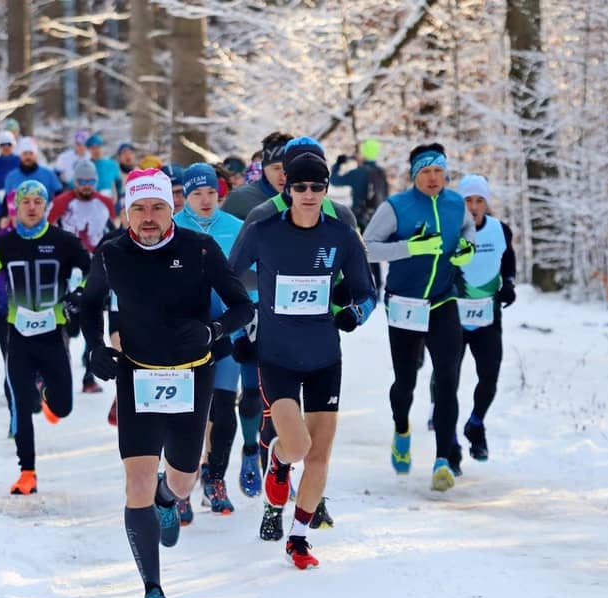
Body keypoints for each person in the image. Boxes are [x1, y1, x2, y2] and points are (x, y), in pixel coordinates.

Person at [81, 168, 253, 598]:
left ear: (171, 208)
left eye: (157, 207)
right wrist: (95, 348)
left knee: (182, 479)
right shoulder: (112, 253)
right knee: (134, 482)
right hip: (136, 374)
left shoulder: (200, 249)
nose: (148, 217)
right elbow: (90, 303)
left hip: (191, 374)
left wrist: (213, 331)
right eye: (139, 208)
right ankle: (153, 593)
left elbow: (242, 306)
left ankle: (167, 495)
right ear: (126, 212)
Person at [229, 151, 376, 568]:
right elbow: (228, 281)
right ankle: (278, 460)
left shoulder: (341, 235)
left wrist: (355, 314)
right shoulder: (263, 231)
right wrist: (240, 333)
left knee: (319, 456)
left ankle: (298, 538)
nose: (309, 194)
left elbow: (368, 293)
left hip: (324, 357)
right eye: (300, 186)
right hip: (276, 356)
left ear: (326, 189)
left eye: (317, 186)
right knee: (296, 446)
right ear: (287, 189)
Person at [0, 180, 90, 494]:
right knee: (20, 404)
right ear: (16, 207)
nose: (32, 207)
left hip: (52, 334)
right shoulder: (4, 243)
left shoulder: (63, 241)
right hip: (17, 334)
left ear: (46, 207)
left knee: (63, 407)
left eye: (38, 202)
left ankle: (46, 394)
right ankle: (27, 473)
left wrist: (79, 293)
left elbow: (90, 269)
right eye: (26, 201)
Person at [361, 142, 476, 491]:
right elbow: (367, 247)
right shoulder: (397, 207)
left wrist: (466, 249)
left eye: (438, 170)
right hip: (405, 304)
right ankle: (402, 428)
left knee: (447, 379)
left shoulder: (456, 203)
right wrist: (411, 247)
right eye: (425, 171)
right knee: (406, 381)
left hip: (443, 300)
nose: (433, 178)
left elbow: (468, 229)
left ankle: (443, 460)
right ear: (414, 175)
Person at [172, 162, 245, 520]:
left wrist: (251, 317)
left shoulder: (237, 228)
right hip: (182, 335)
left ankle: (215, 478)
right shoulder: (172, 227)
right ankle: (179, 486)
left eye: (211, 193)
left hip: (226, 330)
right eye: (197, 193)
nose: (205, 200)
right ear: (185, 196)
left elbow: (253, 277)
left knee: (224, 408)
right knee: (185, 413)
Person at [448, 174, 516, 461]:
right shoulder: (449, 230)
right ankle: (449, 441)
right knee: (448, 378)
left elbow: (508, 259)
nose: (474, 206)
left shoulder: (500, 230)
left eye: (479, 200)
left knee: (489, 375)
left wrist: (509, 283)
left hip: (487, 315)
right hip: (451, 315)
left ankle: (476, 424)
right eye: (468, 200)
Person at [47, 158, 117, 394]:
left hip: (96, 269)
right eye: (81, 181)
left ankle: (89, 374)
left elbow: (114, 232)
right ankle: (58, 374)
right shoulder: (62, 202)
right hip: (67, 269)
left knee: (93, 317)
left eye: (91, 181)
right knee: (67, 325)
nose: (86, 186)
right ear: (74, 182)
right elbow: (47, 230)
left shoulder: (105, 203)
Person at [331, 138, 388, 292]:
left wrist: (338, 164)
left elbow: (335, 180)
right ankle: (378, 285)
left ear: (363, 154)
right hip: (377, 217)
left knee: (355, 250)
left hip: (359, 217)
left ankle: (359, 285)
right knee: (371, 249)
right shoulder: (380, 173)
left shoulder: (358, 173)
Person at [222, 131, 291, 221]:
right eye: (276, 168)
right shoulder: (239, 198)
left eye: (288, 167)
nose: (283, 176)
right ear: (263, 168)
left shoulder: (306, 197)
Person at [2, 138, 63, 228]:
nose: (28, 157)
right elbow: (7, 200)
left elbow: (60, 196)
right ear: (20, 155)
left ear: (36, 155)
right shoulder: (11, 177)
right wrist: (4, 217)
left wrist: (58, 217)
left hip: (46, 221)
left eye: (31, 153)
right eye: (25, 154)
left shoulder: (48, 174)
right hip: (20, 224)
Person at [86, 134, 121, 203]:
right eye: (93, 148)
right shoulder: (85, 166)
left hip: (108, 201)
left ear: (102, 148)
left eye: (98, 147)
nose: (96, 150)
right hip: (90, 201)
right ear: (89, 150)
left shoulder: (112, 164)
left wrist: (117, 199)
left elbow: (118, 184)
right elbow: (74, 185)